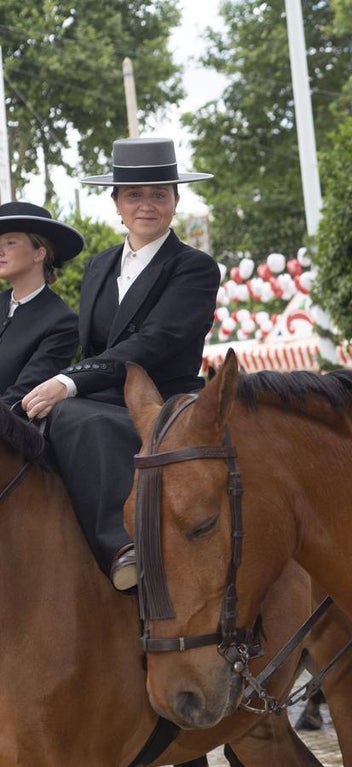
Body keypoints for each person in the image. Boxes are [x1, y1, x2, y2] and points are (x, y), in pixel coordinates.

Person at [21, 137, 218, 592]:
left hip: (163, 398)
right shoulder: (98, 266)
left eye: (158, 194)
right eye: (134, 195)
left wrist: (67, 383)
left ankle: (121, 545)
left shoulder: (195, 267)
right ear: (116, 204)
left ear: (174, 201)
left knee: (74, 416)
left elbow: (154, 342)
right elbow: (93, 346)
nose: (146, 204)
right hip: (100, 391)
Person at [0, 202, 81, 410]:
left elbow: (21, 397)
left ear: (39, 253)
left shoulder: (61, 322)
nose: (0, 251)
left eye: (10, 243)